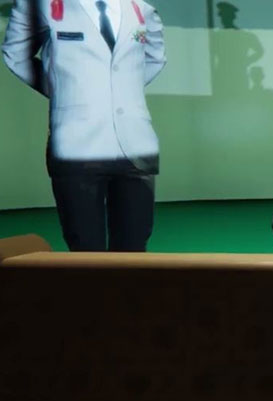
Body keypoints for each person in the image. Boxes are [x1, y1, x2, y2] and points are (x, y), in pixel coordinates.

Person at [3, 0, 166, 251]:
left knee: (134, 250)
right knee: (85, 250)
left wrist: (117, 93)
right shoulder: (40, 5)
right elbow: (15, 54)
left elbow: (155, 57)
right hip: (76, 147)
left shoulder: (141, 9)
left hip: (136, 146)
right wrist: (66, 92)